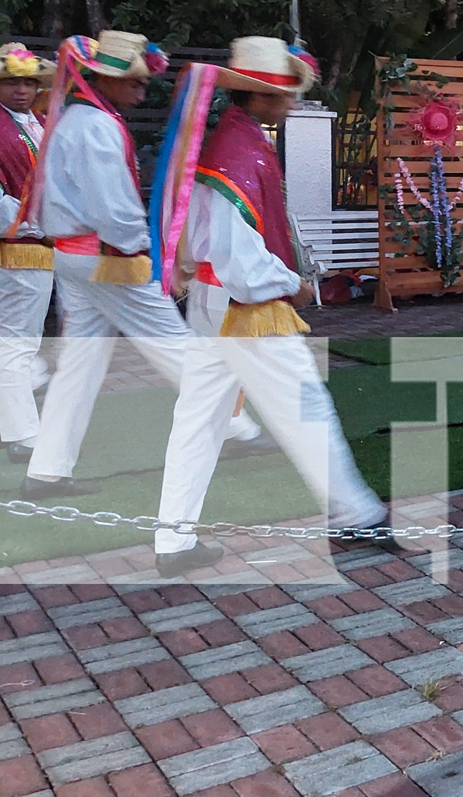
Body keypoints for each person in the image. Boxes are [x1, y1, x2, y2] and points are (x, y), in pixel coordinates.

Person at [149, 37, 387, 576]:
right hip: (245, 306)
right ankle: (356, 513)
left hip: (213, 303)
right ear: (261, 98)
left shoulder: (234, 141)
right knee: (305, 408)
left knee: (198, 421)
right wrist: (292, 285)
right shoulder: (240, 150)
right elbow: (239, 256)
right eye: (287, 93)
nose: (293, 101)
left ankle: (173, 539)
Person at [19, 32, 264, 500]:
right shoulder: (96, 127)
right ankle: (240, 431)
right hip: (109, 259)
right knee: (176, 346)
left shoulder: (78, 119)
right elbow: (116, 211)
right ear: (103, 79)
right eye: (133, 82)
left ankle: (46, 470)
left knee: (79, 364)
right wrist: (151, 255)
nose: (142, 90)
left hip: (77, 257)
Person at [0, 44, 56, 463]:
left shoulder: (31, 123)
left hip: (25, 243)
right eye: (13, 81)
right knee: (18, 342)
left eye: (29, 81)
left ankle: (0, 425)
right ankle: (24, 435)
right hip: (19, 246)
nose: (23, 89)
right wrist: (42, 229)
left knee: (8, 339)